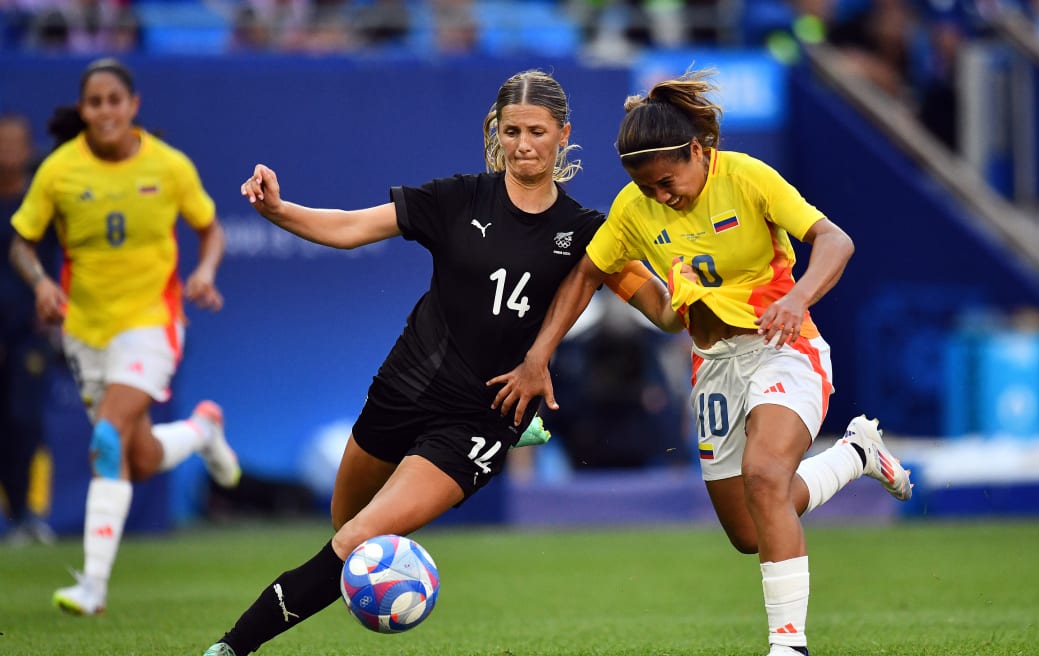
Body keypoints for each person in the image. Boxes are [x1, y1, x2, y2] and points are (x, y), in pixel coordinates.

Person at [199, 69, 679, 656]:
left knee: (355, 542)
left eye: (536, 131)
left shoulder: (585, 232)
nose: (523, 143)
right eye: (511, 131)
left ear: (563, 134)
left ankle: (226, 649)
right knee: (347, 534)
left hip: (480, 417)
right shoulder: (457, 198)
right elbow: (351, 228)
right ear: (495, 133)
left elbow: (665, 312)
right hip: (403, 387)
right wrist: (277, 209)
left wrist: (694, 266)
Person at [488, 70, 914, 656]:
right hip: (712, 364)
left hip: (784, 348)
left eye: (667, 181)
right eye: (646, 186)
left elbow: (835, 240)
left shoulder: (746, 176)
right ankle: (856, 454)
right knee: (749, 529)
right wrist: (538, 355)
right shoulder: (635, 207)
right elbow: (589, 273)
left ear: (697, 150)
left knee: (767, 477)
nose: (661, 196)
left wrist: (796, 299)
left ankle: (789, 646)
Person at [8, 57, 241, 615]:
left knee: (107, 443)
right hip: (85, 332)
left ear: (133, 106)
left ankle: (92, 587)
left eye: (115, 100)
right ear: (84, 110)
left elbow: (210, 230)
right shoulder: (61, 170)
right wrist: (39, 281)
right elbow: (21, 242)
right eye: (95, 102)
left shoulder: (168, 166)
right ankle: (202, 430)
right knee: (133, 458)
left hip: (151, 324)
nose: (105, 110)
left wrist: (204, 272)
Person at [0, 113, 57, 546]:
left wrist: (51, 300)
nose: (8, 152)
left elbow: (60, 258)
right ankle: (14, 514)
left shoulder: (41, 200)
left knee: (26, 419)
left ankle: (29, 515)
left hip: (29, 330)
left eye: (15, 143)